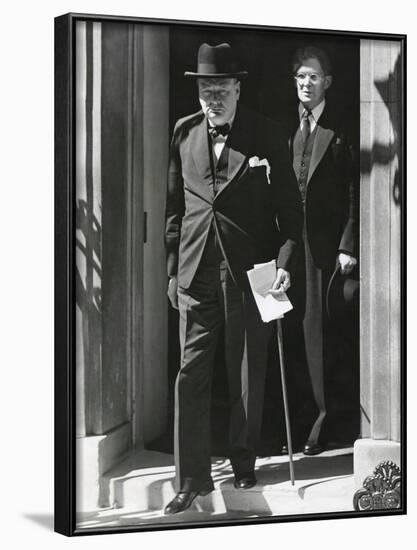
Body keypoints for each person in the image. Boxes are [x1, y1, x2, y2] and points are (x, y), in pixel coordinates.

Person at [164, 42, 303, 514]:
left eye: (221, 88)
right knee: (191, 374)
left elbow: (291, 212)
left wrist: (284, 262)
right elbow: (175, 211)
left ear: (238, 89)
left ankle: (244, 461)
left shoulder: (268, 135)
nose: (213, 98)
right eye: (206, 89)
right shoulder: (183, 134)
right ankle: (191, 479)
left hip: (252, 271)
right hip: (195, 271)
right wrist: (171, 271)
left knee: (247, 372)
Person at [283, 45, 358, 456]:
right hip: (291, 249)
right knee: (293, 335)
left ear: (326, 82)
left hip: (327, 251)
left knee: (321, 339)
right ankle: (295, 425)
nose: (306, 84)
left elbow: (354, 191)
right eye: (300, 78)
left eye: (313, 77)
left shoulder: (341, 127)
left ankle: (325, 428)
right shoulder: (289, 127)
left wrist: (349, 244)